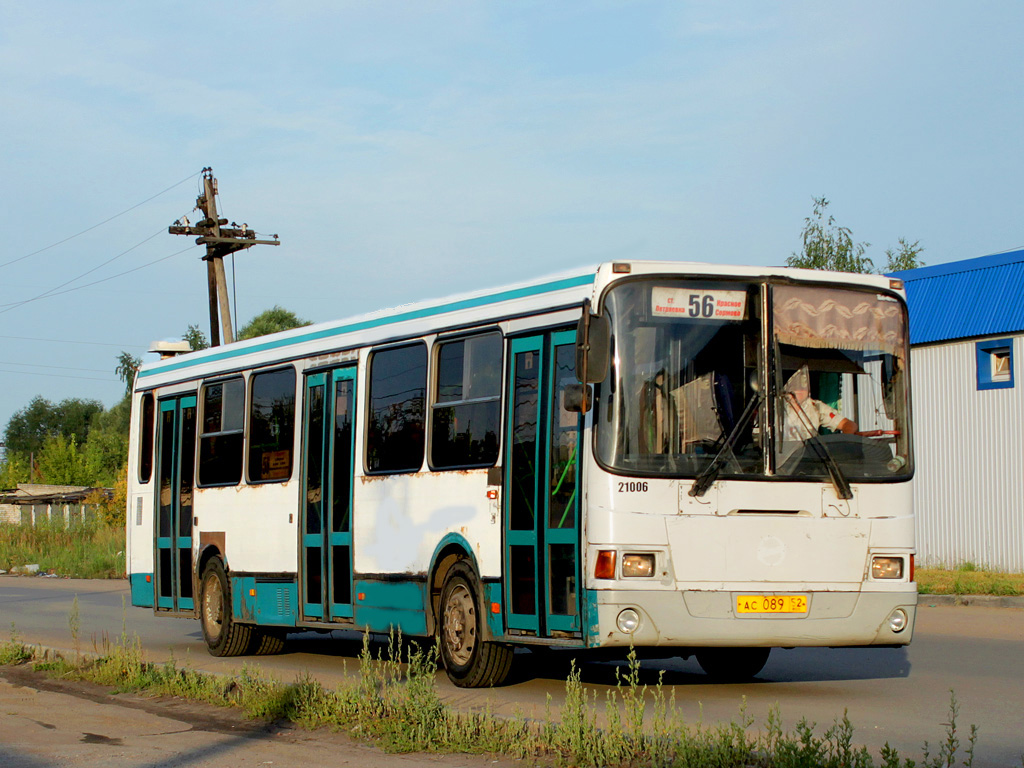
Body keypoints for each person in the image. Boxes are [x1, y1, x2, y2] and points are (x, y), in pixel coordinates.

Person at [780, 366, 858, 443]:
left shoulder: (815, 406)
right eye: (795, 387)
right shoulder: (774, 407)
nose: (800, 391)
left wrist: (847, 438)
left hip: (809, 453)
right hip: (781, 455)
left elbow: (848, 424)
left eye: (803, 386)